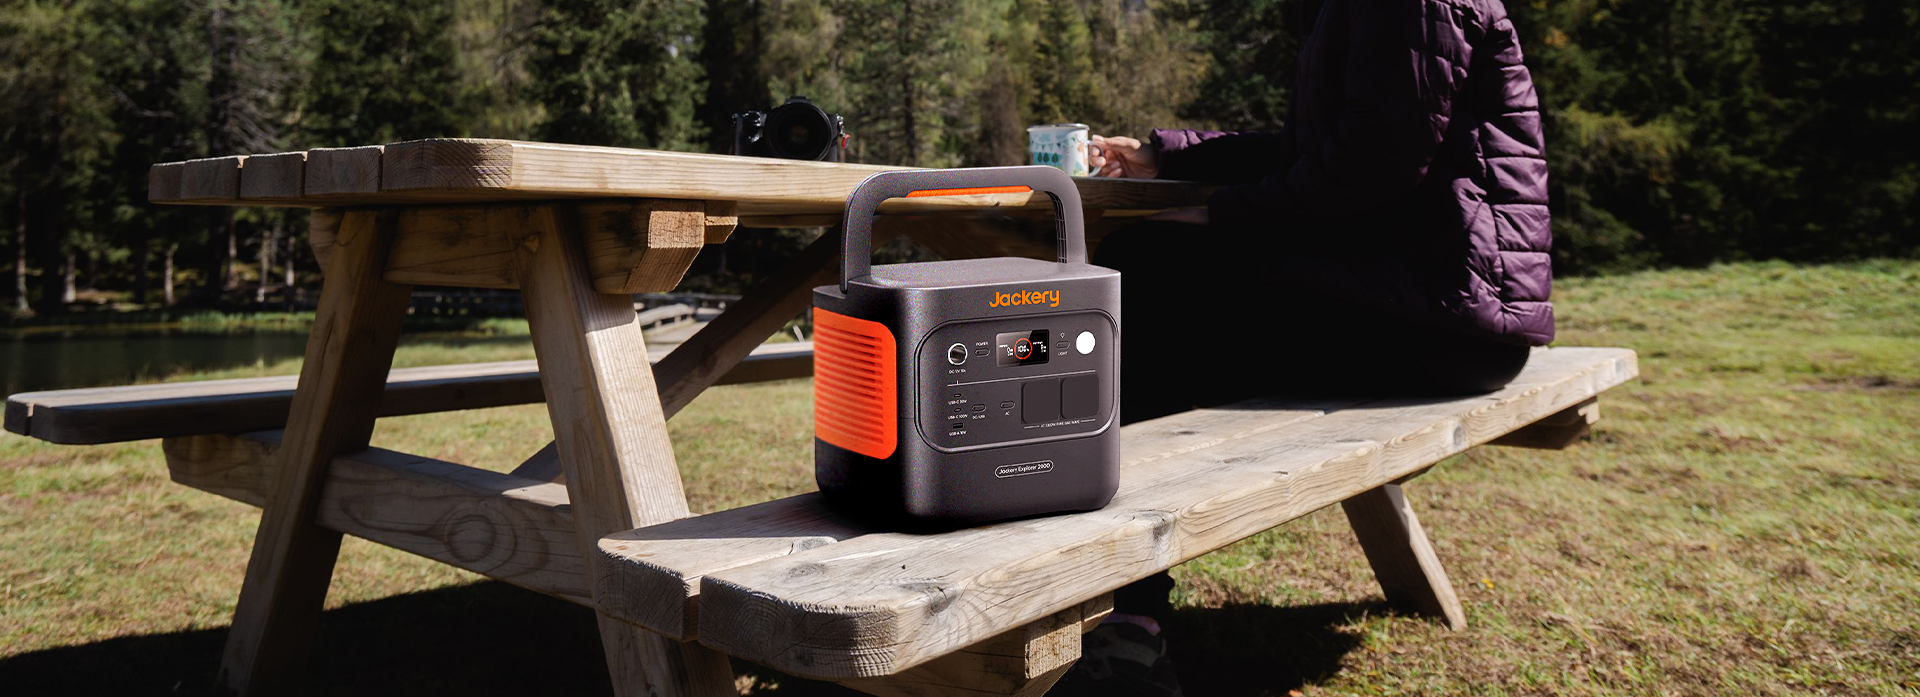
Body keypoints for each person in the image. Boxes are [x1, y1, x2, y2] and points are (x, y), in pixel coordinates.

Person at [1050, 0, 1552, 693]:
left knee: (1148, 279)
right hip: (1421, 299)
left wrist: (1220, 215)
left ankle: (1125, 623)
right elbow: (1324, 145)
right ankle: (1109, 597)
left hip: (1446, 315)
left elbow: (1374, 161)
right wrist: (1169, 154)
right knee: (1150, 278)